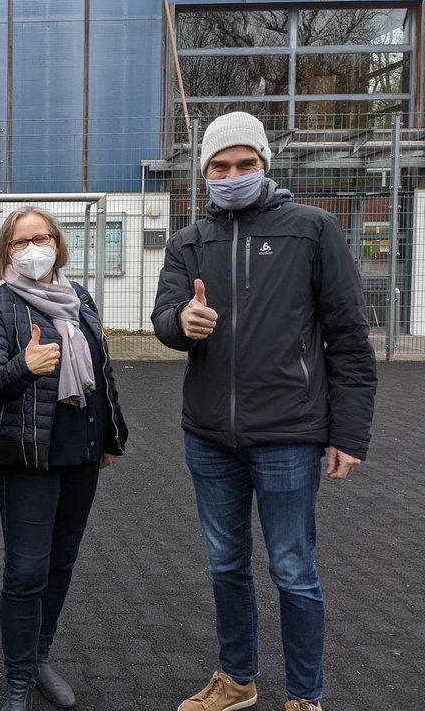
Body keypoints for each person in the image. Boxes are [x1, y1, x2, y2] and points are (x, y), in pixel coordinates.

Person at [152, 112, 377, 711]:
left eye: (243, 164)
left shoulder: (312, 229)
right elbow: (164, 318)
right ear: (204, 175)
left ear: (264, 166)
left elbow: (350, 339)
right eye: (219, 167)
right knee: (226, 564)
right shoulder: (187, 242)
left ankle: (305, 695)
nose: (231, 176)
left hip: (289, 434)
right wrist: (183, 322)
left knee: (293, 569)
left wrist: (349, 433)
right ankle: (236, 679)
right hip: (208, 436)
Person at [0, 207, 128, 711]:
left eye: (42, 238)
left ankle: (38, 659)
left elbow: (100, 372)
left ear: (59, 244)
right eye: (21, 242)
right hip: (27, 458)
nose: (33, 248)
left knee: (61, 563)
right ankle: (17, 680)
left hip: (80, 453)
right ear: (7, 252)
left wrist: (110, 438)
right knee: (25, 570)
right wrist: (25, 365)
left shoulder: (79, 298)